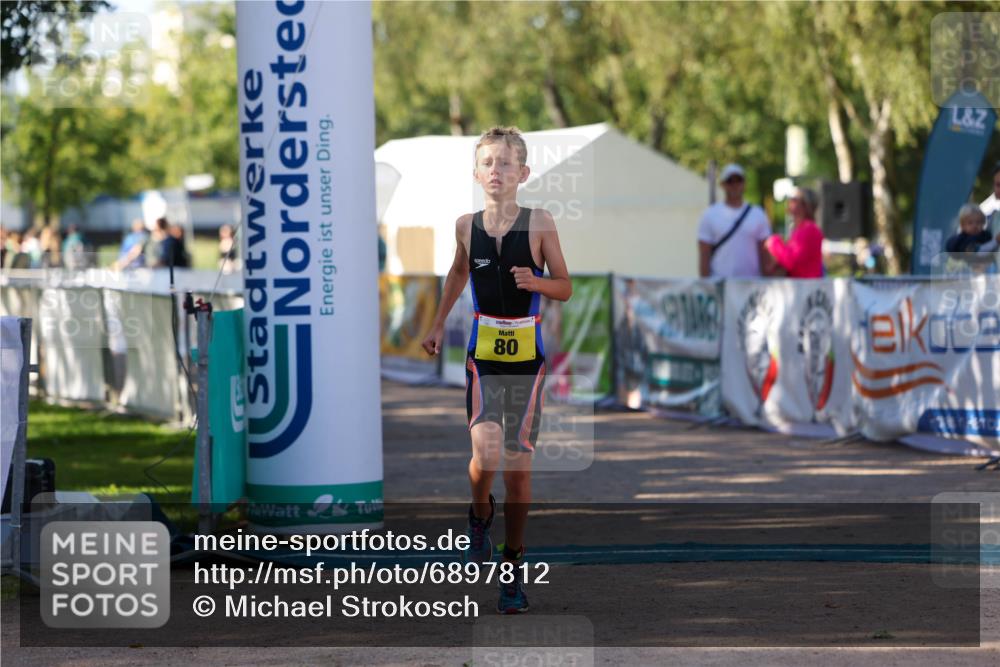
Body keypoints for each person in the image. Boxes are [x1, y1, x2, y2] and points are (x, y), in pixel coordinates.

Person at [420, 126, 572, 614]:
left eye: (506, 164)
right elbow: (459, 272)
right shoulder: (466, 225)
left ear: (523, 173)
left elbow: (566, 286)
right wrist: (439, 324)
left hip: (527, 360)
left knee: (519, 475)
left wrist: (538, 282)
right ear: (476, 172)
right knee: (485, 458)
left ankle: (512, 566)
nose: (496, 171)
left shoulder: (541, 223)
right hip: (484, 356)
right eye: (488, 163)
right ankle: (479, 514)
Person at [697, 163, 772, 278]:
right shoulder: (710, 214)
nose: (734, 185)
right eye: (730, 181)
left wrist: (766, 281)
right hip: (720, 284)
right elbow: (704, 253)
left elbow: (765, 252)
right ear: (723, 184)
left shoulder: (758, 214)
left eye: (738, 180)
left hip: (750, 284)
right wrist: (706, 284)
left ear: (744, 184)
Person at [764, 186, 825, 278]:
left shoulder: (809, 229)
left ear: (805, 205)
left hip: (806, 288)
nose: (789, 202)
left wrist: (774, 242)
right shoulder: (801, 229)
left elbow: (791, 261)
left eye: (794, 199)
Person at [945, 204, 997, 273]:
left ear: (983, 223)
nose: (975, 226)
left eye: (978, 222)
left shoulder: (986, 235)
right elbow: (977, 252)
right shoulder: (962, 240)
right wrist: (996, 241)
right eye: (970, 223)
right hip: (970, 271)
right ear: (963, 225)